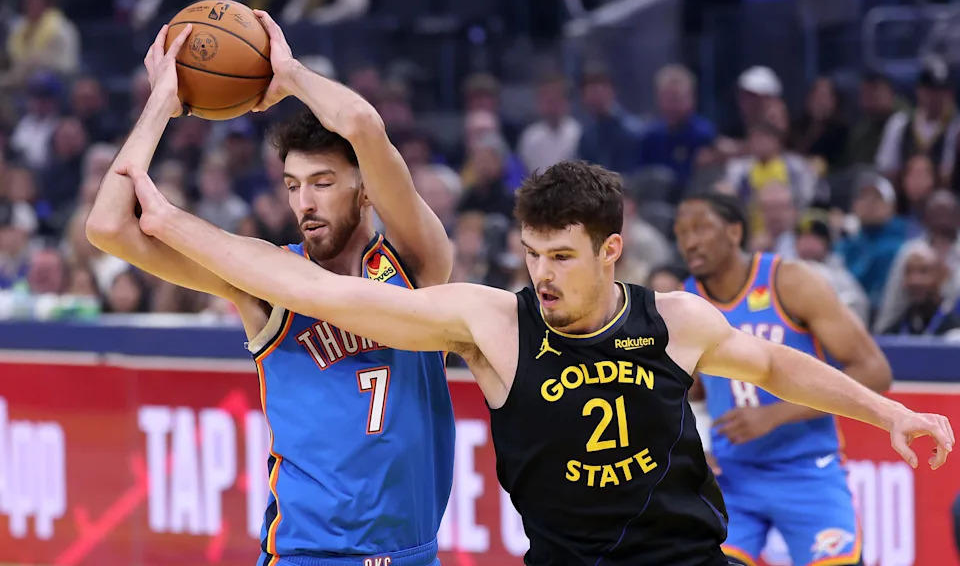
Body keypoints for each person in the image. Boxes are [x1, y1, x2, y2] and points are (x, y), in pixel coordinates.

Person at [121, 154, 953, 566]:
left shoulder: (675, 319)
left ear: (611, 251)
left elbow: (777, 369)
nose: (541, 275)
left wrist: (891, 414)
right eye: (531, 254)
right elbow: (324, 295)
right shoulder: (495, 324)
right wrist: (166, 218)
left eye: (560, 257)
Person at [86, 13, 455, 566]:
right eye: (292, 186)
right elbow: (108, 226)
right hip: (308, 555)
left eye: (323, 184)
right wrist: (162, 102)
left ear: (366, 191)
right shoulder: (264, 279)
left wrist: (288, 73)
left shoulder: (416, 262)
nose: (304, 203)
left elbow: (361, 123)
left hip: (411, 554)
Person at [674, 191, 894, 566]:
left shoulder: (789, 281)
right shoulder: (686, 302)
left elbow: (875, 372)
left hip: (806, 470)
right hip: (733, 478)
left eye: (701, 228)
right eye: (680, 232)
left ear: (734, 231)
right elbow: (687, 391)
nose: (690, 241)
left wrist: (772, 415)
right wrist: (696, 444)